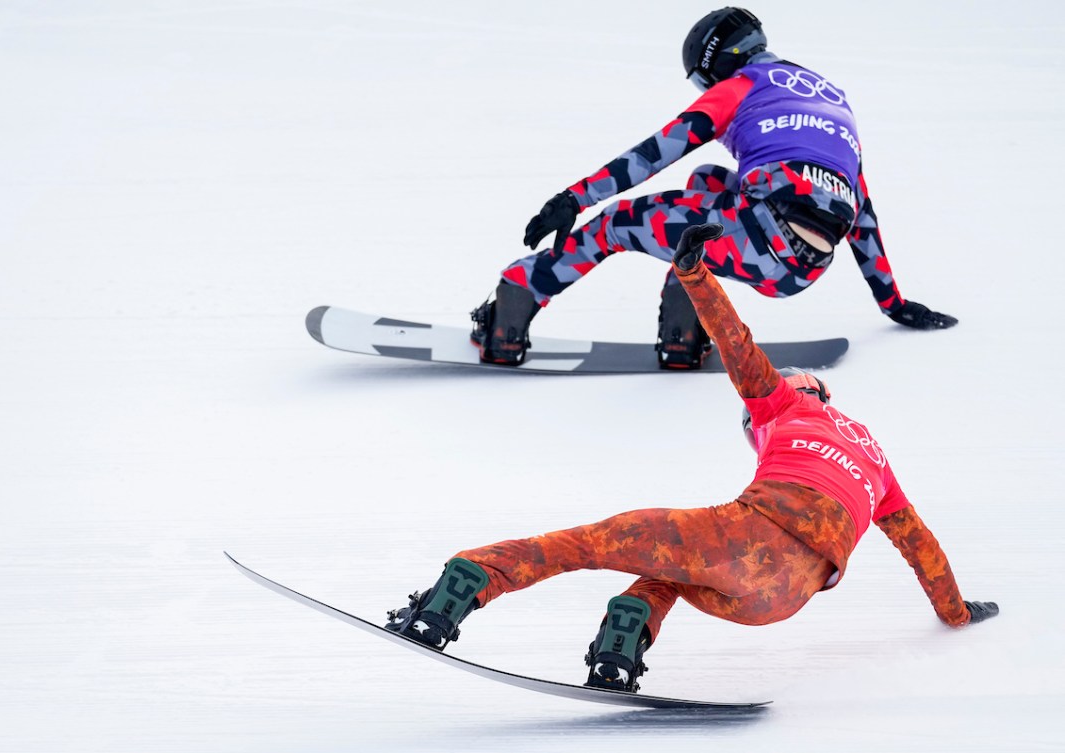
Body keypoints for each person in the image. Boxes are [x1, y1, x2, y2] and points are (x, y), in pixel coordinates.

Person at [388, 224, 997, 693]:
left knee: (587, 543)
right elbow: (923, 547)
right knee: (670, 572)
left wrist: (694, 272)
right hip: (783, 598)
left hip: (748, 538)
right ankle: (617, 655)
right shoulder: (877, 461)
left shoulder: (781, 405)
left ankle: (456, 591)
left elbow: (736, 345)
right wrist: (957, 612)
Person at [470, 7, 957, 368]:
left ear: (716, 65)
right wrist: (893, 302)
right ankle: (682, 331)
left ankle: (516, 302)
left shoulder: (741, 86)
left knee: (613, 225)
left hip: (759, 238)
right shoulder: (832, 103)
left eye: (704, 82)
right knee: (708, 184)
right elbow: (860, 213)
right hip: (804, 270)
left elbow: (653, 154)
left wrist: (574, 198)